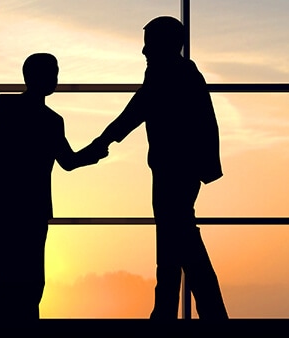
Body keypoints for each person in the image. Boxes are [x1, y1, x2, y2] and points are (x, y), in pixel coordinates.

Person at [86, 16, 229, 319]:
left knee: (179, 243)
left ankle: (190, 314)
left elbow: (136, 110)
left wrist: (103, 142)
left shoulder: (169, 73)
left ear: (163, 44)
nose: (143, 51)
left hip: (173, 173)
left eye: (148, 43)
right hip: (179, 171)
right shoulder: (181, 72)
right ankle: (174, 312)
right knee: (176, 241)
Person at [0, 53, 107, 320]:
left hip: (5, 205)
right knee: (29, 279)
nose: (56, 78)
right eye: (53, 72)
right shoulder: (50, 119)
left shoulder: (6, 106)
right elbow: (69, 162)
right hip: (31, 210)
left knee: (7, 278)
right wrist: (94, 151)